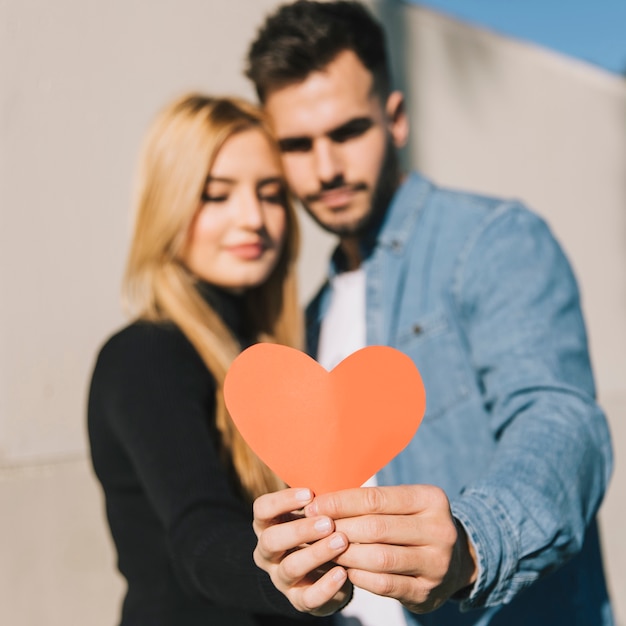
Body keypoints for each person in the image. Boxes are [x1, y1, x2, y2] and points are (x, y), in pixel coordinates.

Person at [244, 2, 615, 625]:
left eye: (347, 132)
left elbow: (560, 420)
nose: (327, 167)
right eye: (299, 145)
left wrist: (473, 545)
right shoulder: (308, 322)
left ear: (395, 118)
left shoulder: (493, 241)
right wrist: (300, 574)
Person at [87, 93, 344, 625]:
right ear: (169, 204)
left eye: (271, 194)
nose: (253, 218)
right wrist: (279, 575)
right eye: (216, 195)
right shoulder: (145, 356)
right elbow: (197, 531)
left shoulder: (274, 355)